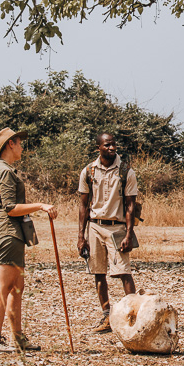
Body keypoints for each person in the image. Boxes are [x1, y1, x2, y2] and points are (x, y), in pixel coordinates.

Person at [0, 127, 58, 353]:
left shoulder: (1, 168)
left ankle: (18, 337)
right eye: (19, 142)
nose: (22, 147)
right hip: (6, 232)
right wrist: (41, 206)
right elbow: (10, 208)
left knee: (17, 287)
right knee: (4, 287)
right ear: (10, 144)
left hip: (12, 233)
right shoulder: (4, 171)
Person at [77, 132, 139, 334]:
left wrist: (129, 234)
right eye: (107, 145)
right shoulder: (88, 171)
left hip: (117, 227)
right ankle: (106, 317)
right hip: (94, 226)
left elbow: (131, 206)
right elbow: (83, 205)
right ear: (99, 148)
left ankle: (133, 315)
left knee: (124, 272)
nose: (112, 148)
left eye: (113, 145)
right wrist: (81, 236)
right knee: (98, 272)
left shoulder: (126, 172)